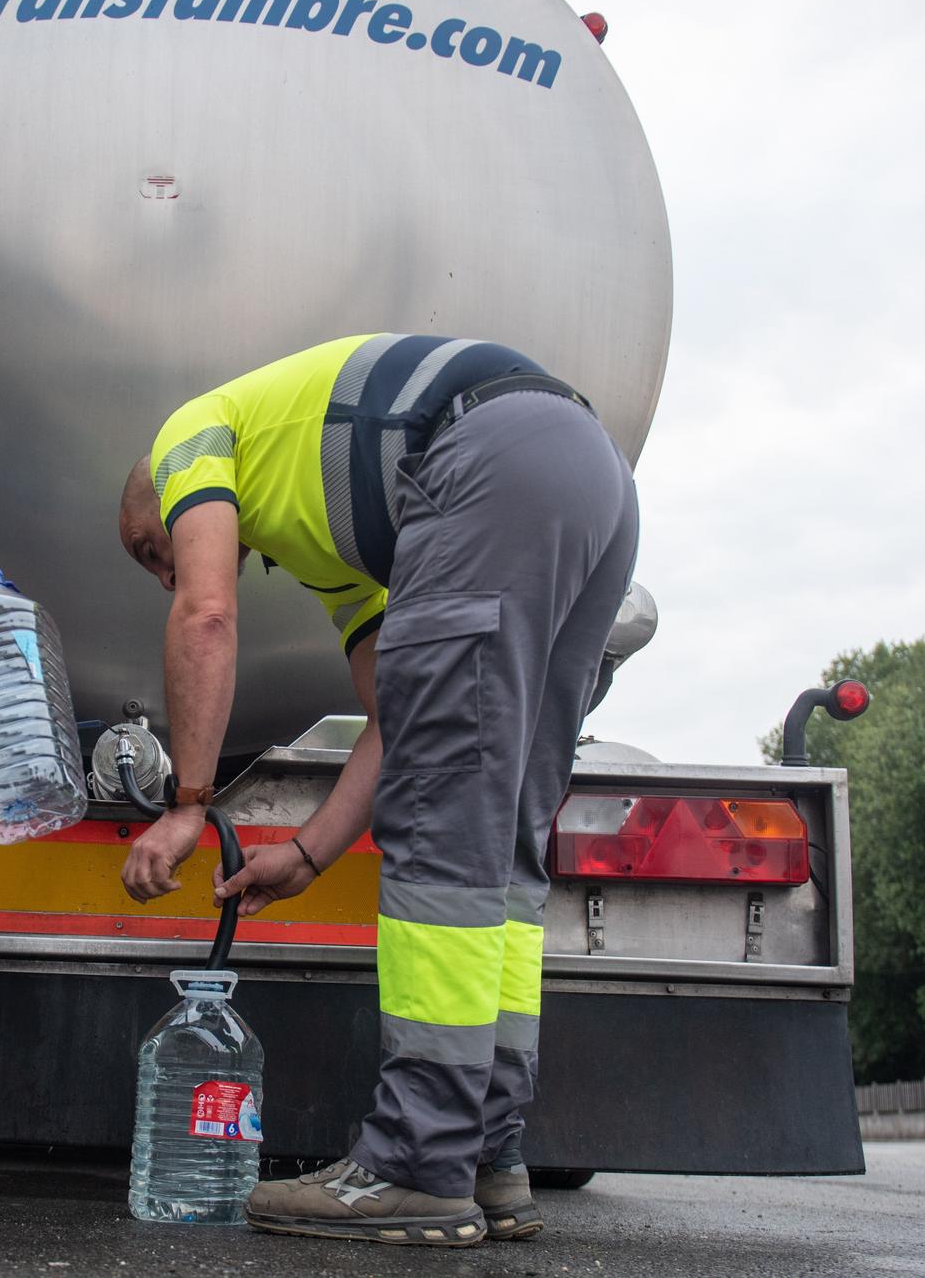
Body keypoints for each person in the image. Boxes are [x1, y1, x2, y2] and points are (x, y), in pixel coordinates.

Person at [115, 334, 639, 1246]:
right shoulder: (337, 548)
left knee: (441, 834)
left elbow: (204, 612)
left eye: (146, 545)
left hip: (485, 461)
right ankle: (483, 1153)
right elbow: (398, 715)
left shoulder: (188, 434)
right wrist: (312, 850)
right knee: (501, 842)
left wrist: (188, 804)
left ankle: (411, 1163)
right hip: (588, 475)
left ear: (154, 491)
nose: (162, 564)